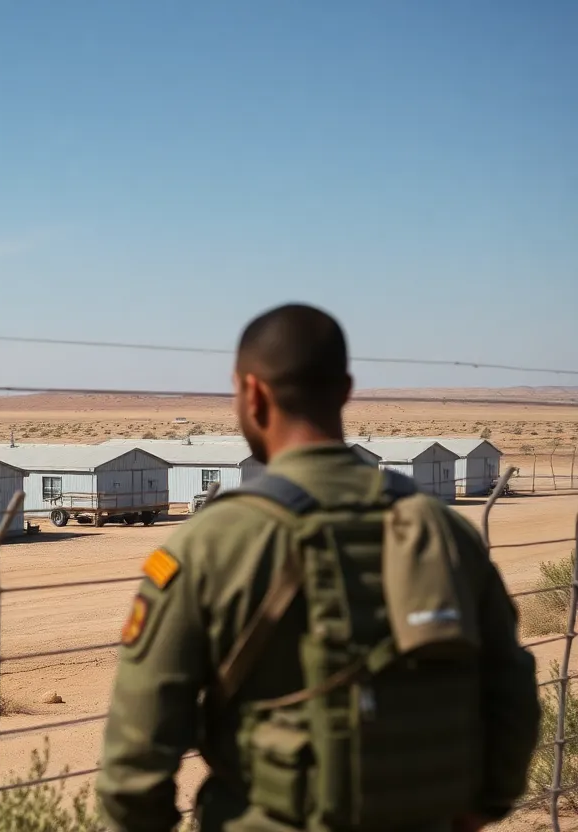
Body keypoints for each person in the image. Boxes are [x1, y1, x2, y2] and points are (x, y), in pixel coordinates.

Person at [96, 303, 539, 832]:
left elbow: (136, 759)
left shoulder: (213, 544)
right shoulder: (442, 531)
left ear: (253, 394)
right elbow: (512, 695)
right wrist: (480, 808)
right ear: (345, 390)